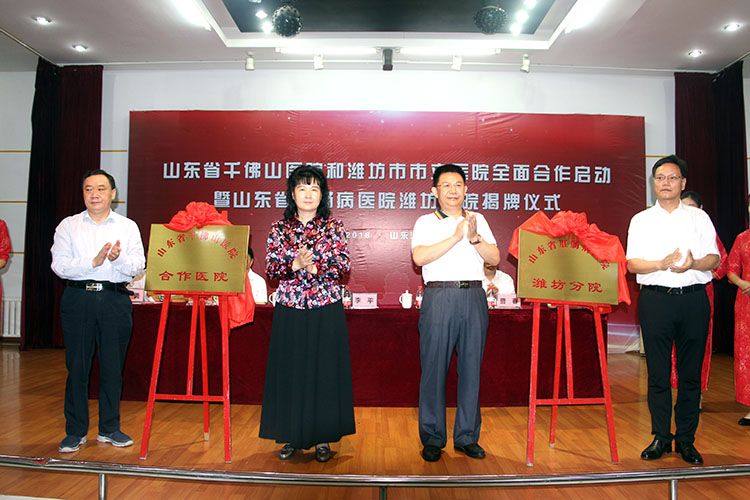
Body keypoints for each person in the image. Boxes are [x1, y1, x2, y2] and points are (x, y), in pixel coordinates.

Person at [626, 155, 719, 465]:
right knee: (658, 373)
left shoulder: (698, 218)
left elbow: (714, 259)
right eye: (660, 177)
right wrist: (660, 264)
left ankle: (687, 440)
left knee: (691, 374)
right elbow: (632, 264)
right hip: (656, 301)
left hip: (693, 300)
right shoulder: (641, 220)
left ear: (683, 183)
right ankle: (661, 438)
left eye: (672, 177)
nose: (665, 183)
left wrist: (693, 264)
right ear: (653, 183)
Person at [259, 165, 355, 463]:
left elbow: (343, 265)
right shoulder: (280, 228)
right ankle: (291, 436)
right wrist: (295, 264)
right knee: (290, 372)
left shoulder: (333, 227)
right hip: (290, 308)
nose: (309, 194)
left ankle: (323, 437)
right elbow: (271, 266)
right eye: (302, 188)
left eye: (315, 188)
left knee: (324, 373)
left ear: (322, 194)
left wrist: (316, 267)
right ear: (292, 194)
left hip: (325, 308)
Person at [51, 170, 145, 453]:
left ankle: (109, 428)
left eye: (101, 189)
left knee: (113, 367)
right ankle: (75, 431)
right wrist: (91, 262)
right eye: (89, 189)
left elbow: (138, 265)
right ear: (83, 193)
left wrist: (117, 259)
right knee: (77, 367)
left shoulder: (127, 227)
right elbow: (59, 265)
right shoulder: (68, 226)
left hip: (114, 300)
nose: (95, 195)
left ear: (113, 194)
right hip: (78, 299)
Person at [411, 164, 500, 462]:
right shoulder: (425, 222)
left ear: (466, 189)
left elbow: (495, 257)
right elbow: (419, 257)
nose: (453, 190)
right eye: (446, 185)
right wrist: (456, 235)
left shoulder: (478, 220)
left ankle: (466, 437)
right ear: (434, 191)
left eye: (458, 184)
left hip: (473, 296)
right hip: (439, 296)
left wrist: (474, 237)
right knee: (433, 370)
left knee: (471, 370)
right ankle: (432, 437)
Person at [669, 192, 728, 405]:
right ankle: (677, 388)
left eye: (692, 207)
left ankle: (697, 392)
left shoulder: (706, 231)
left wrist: (700, 268)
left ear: (701, 209)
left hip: (700, 292)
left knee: (697, 344)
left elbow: (722, 264)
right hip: (671, 293)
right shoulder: (669, 229)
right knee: (673, 345)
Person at [725, 195, 750, 426]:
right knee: (747, 354)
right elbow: (730, 269)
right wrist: (742, 283)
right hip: (746, 303)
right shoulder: (742, 238)